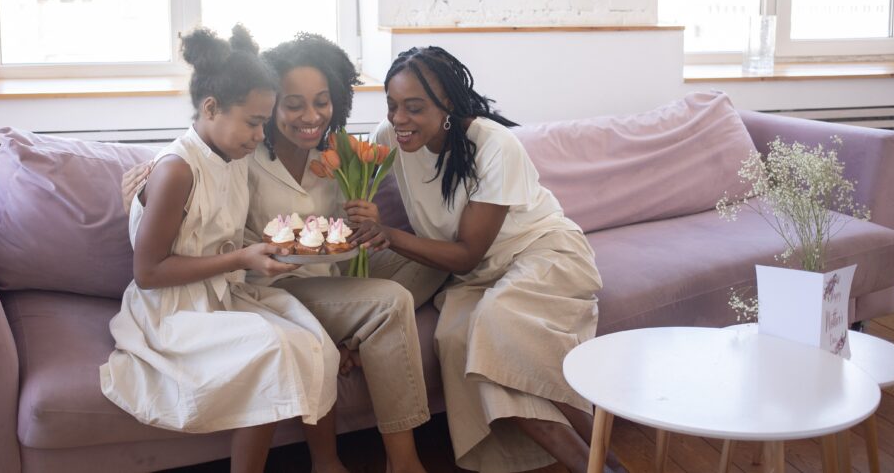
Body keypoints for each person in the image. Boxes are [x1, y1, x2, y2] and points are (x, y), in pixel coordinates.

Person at [122, 32, 442, 473]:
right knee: (387, 304)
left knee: (434, 260)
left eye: (322, 101)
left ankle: (342, 340)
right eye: (292, 105)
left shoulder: (336, 154)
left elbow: (334, 234)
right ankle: (396, 460)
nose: (310, 116)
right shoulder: (242, 153)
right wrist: (141, 191)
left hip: (325, 274)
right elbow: (182, 204)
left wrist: (364, 216)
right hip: (267, 282)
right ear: (269, 107)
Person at [101, 25, 344, 473]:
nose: (259, 135)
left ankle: (327, 463)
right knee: (271, 348)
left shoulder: (233, 155)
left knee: (314, 342)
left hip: (221, 294)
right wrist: (240, 259)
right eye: (253, 122)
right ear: (210, 108)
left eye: (263, 123)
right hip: (172, 311)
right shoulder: (177, 171)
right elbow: (148, 272)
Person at [367, 46, 605, 473]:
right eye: (392, 105)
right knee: (456, 341)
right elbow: (349, 171)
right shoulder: (390, 138)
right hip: (479, 275)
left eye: (414, 108)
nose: (398, 119)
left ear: (448, 106)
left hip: (540, 252)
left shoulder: (493, 144)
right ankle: (600, 465)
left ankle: (595, 462)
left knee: (493, 324)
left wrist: (388, 234)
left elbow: (465, 254)